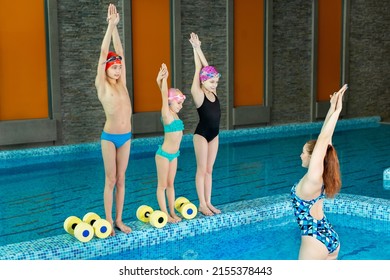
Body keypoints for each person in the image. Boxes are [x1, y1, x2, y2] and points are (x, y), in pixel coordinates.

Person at [291, 84, 348, 259]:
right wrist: (331, 108)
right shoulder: (322, 176)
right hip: (329, 236)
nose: (300, 155)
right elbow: (326, 140)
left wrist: (338, 111)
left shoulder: (313, 179)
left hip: (315, 241)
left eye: (303, 152)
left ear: (312, 156)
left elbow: (323, 140)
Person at [95, 3, 132, 235]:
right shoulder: (102, 85)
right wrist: (109, 26)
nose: (118, 70)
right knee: (110, 179)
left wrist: (117, 28)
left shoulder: (122, 85)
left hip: (126, 137)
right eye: (114, 67)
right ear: (106, 69)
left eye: (119, 67)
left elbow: (119, 50)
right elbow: (103, 53)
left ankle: (119, 219)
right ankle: (108, 220)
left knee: (121, 179)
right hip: (109, 138)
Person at [189, 32, 221, 216]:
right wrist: (195, 53)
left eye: (216, 81)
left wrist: (198, 47)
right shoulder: (198, 93)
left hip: (214, 135)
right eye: (211, 81)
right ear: (202, 81)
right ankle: (201, 204)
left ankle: (208, 202)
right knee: (201, 169)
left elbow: (207, 67)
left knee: (209, 170)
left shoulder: (213, 93)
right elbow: (200, 68)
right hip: (201, 135)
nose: (214, 84)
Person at [155, 63, 186, 223]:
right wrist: (164, 80)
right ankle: (165, 214)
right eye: (178, 103)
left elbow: (164, 94)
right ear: (169, 102)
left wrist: (159, 82)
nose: (180, 106)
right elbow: (163, 96)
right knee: (162, 185)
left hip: (174, 154)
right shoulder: (167, 114)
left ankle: (172, 212)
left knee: (171, 184)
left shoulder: (175, 114)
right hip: (163, 155)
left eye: (181, 103)